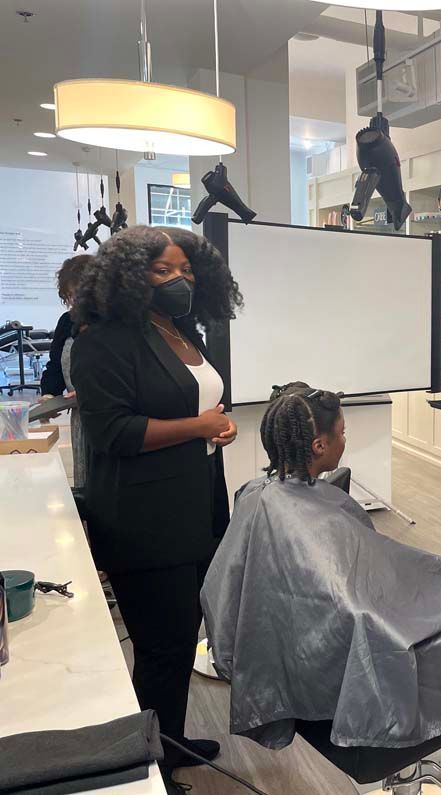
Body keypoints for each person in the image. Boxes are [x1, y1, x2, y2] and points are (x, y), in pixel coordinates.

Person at [201, 385, 441, 775]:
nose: (345, 438)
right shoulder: (310, 517)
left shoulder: (256, 495)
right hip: (362, 669)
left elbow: (221, 596)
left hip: (304, 670)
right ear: (319, 446)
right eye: (341, 432)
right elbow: (363, 613)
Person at [71, 226, 241, 775]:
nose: (178, 280)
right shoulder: (105, 340)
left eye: (186, 270)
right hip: (143, 520)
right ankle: (149, 769)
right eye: (163, 270)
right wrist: (197, 426)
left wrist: (216, 429)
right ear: (129, 276)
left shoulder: (182, 331)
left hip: (196, 506)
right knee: (160, 647)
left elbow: (202, 404)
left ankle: (170, 741)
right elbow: (113, 432)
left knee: (180, 636)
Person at [39, 254, 93, 487]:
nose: (75, 302)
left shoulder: (118, 322)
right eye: (70, 297)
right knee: (85, 476)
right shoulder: (66, 322)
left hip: (115, 412)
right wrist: (49, 395)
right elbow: (55, 365)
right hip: (81, 415)